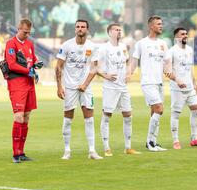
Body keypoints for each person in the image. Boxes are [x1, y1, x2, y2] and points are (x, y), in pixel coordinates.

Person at [55, 19, 102, 160]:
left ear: (87, 29)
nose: (80, 29)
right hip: (69, 87)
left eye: (83, 27)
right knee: (68, 118)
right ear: (75, 29)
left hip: (85, 88)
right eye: (77, 27)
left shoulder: (93, 46)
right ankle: (67, 151)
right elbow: (59, 67)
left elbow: (94, 68)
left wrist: (85, 84)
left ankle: (92, 151)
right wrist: (59, 86)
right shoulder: (67, 45)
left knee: (89, 118)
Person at [97, 23, 141, 156]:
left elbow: (127, 62)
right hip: (110, 87)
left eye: (120, 30)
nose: (119, 32)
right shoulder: (104, 48)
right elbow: (96, 67)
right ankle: (106, 148)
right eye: (116, 30)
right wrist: (106, 75)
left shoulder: (123, 47)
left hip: (123, 87)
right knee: (107, 115)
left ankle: (128, 147)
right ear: (109, 32)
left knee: (128, 115)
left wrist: (128, 73)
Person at [131, 15, 171, 152]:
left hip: (159, 82)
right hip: (148, 82)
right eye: (158, 24)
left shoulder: (163, 44)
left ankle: (154, 141)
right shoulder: (142, 43)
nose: (161, 26)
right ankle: (149, 142)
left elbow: (166, 63)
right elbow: (134, 61)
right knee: (159, 109)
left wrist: (173, 76)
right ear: (151, 26)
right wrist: (127, 74)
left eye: (161, 23)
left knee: (154, 112)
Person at [4, 18, 42, 163]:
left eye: (28, 32)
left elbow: (32, 59)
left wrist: (36, 65)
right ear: (18, 29)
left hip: (29, 83)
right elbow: (12, 64)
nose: (26, 35)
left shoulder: (30, 44)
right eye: (24, 32)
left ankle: (21, 152)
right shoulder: (11, 43)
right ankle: (15, 153)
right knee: (18, 117)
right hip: (17, 84)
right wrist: (28, 71)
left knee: (26, 117)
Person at [167, 27, 197, 149]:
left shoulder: (189, 49)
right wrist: (177, 81)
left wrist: (194, 83)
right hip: (177, 88)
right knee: (176, 114)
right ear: (176, 37)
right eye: (182, 34)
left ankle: (194, 138)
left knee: (196, 110)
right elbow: (168, 70)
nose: (185, 36)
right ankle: (175, 141)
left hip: (190, 87)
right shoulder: (172, 51)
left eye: (186, 34)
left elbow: (191, 68)